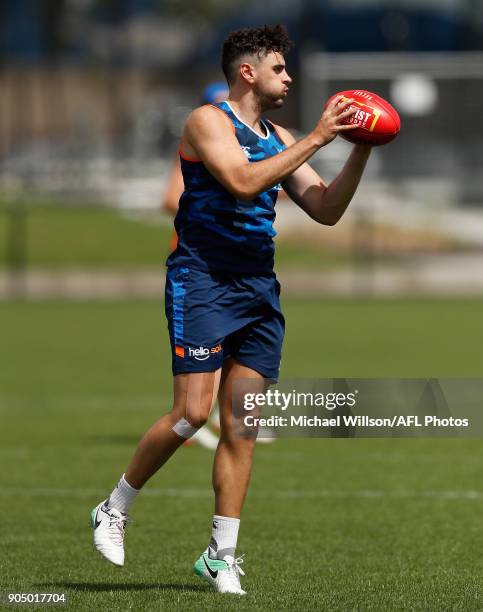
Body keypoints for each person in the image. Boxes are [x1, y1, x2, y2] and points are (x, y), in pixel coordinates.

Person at [90, 23, 370, 596]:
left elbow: (325, 208)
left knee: (242, 427)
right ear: (248, 71)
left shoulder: (280, 135)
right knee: (193, 413)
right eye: (279, 68)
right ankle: (114, 508)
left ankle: (221, 555)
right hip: (203, 282)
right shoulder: (207, 122)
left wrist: (361, 149)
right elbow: (243, 182)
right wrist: (317, 138)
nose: (289, 77)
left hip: (258, 290)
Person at [162, 82, 229, 450]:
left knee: (237, 345)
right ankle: (193, 417)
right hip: (198, 260)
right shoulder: (192, 151)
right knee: (205, 346)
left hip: (233, 261)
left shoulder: (246, 147)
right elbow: (169, 198)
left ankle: (225, 417)